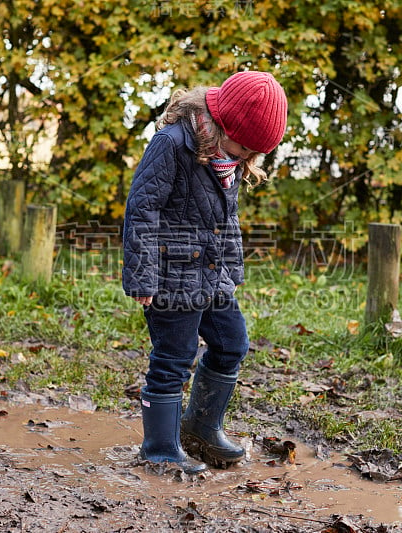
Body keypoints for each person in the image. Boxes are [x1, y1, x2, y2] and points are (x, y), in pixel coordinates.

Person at [122, 71, 288, 473]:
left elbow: (226, 219)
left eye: (255, 152)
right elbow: (141, 210)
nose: (248, 157)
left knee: (232, 343)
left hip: (213, 275)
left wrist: (232, 268)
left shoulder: (225, 157)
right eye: (245, 146)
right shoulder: (172, 144)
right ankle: (161, 450)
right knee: (173, 359)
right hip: (171, 275)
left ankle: (200, 427)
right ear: (221, 122)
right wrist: (142, 276)